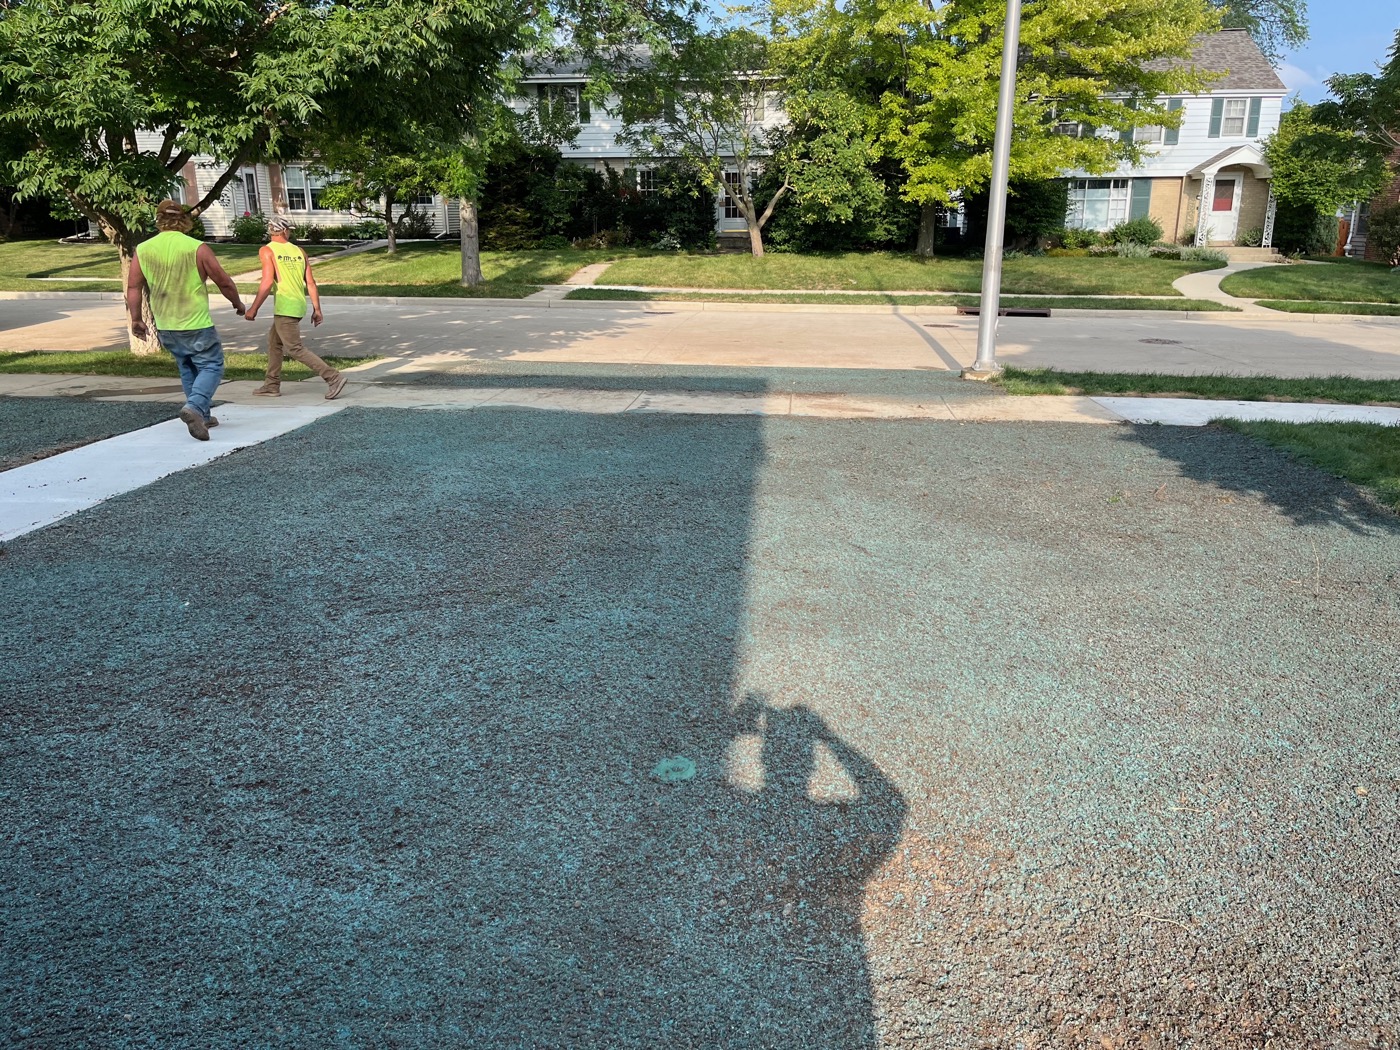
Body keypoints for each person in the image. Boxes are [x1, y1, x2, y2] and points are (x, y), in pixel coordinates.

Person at [127, 199, 246, 441]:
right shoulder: (197, 248)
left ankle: (202, 415)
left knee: (187, 367)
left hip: (166, 324)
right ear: (183, 221)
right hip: (196, 323)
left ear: (159, 221)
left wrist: (137, 319)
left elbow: (133, 287)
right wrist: (237, 303)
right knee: (212, 365)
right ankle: (194, 408)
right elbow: (223, 280)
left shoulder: (143, 249)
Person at [245, 217, 346, 400]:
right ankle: (271, 385)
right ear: (283, 231)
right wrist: (317, 309)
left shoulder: (267, 250)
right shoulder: (299, 251)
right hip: (299, 304)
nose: (289, 233)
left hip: (285, 306)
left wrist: (254, 309)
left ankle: (333, 377)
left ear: (272, 231)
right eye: (289, 230)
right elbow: (311, 282)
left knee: (295, 348)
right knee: (274, 343)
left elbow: (267, 282)